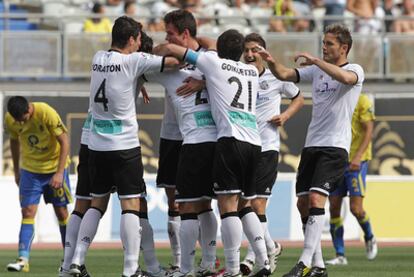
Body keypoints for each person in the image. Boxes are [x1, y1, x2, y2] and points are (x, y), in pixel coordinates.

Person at [153, 28, 271, 277]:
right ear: (240, 51)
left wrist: (161, 50)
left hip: (224, 140)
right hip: (255, 142)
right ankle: (264, 260)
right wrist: (205, 80)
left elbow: (177, 50)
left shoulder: (211, 63)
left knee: (204, 207)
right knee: (244, 205)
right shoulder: (251, 70)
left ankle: (225, 269)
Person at [68, 16, 178, 277]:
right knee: (132, 205)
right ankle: (131, 269)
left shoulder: (97, 58)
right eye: (138, 39)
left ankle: (76, 260)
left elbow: (119, 78)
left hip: (96, 145)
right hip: (124, 146)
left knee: (96, 204)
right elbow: (174, 62)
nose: (139, 43)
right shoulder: (135, 61)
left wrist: (138, 83)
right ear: (131, 40)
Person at [257, 23, 364, 277]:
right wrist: (271, 62)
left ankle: (304, 262)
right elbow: (284, 74)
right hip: (311, 145)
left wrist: (316, 60)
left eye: (329, 44)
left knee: (317, 199)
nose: (324, 47)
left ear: (344, 47)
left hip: (335, 147)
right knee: (303, 203)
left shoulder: (354, 69)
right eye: (323, 43)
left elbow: (345, 78)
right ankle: (319, 266)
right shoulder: (316, 71)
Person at [143, 10, 219, 276]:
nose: (166, 38)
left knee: (201, 202)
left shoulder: (210, 60)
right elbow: (143, 60)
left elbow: (216, 46)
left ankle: (207, 261)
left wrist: (205, 79)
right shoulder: (173, 62)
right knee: (176, 202)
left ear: (185, 34)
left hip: (199, 137)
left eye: (171, 33)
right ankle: (180, 261)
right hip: (174, 134)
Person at [239, 33, 304, 276]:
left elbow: (299, 98)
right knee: (244, 204)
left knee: (257, 204)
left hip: (266, 148)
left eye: (254, 50)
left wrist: (285, 116)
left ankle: (256, 256)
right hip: (244, 147)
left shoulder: (276, 77)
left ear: (263, 53)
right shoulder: (239, 76)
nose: (249, 54)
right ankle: (269, 247)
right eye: (246, 50)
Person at [5, 96, 71, 273]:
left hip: (53, 167)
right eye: (17, 120)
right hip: (30, 170)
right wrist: (17, 170)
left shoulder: (45, 112)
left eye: (23, 119)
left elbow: (64, 141)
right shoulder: (11, 119)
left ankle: (71, 258)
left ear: (28, 110)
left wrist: (59, 173)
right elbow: (13, 140)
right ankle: (23, 259)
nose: (20, 123)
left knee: (62, 212)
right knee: (27, 211)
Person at [326, 93, 377, 266]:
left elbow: (369, 129)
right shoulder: (335, 98)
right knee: (333, 207)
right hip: (338, 160)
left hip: (357, 162)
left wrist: (358, 156)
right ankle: (340, 255)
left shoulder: (362, 100)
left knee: (356, 209)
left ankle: (369, 237)